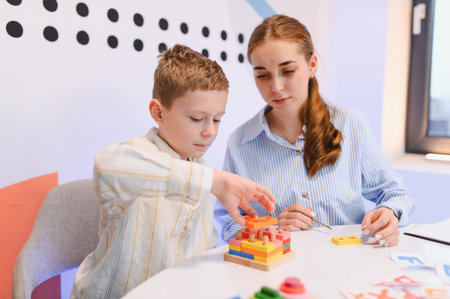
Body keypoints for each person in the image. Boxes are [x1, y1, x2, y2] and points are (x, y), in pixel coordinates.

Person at [70, 44, 276, 298]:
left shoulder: (203, 173)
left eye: (217, 119)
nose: (209, 131)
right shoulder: (139, 158)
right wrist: (215, 181)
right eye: (196, 118)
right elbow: (107, 165)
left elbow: (201, 252)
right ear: (159, 112)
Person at [215, 15, 414, 247]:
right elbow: (228, 225)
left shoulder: (351, 124)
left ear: (312, 65)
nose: (276, 87)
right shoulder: (240, 142)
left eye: (287, 71)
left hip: (347, 268)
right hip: (277, 272)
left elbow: (395, 193)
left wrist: (389, 212)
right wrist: (273, 228)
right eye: (262, 75)